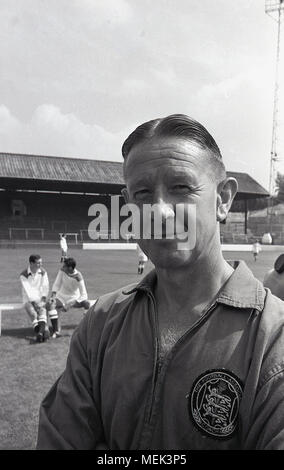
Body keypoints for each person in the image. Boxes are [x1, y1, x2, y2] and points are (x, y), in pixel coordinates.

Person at [37, 114, 284, 450]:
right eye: (142, 193)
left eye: (181, 187)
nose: (161, 212)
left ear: (222, 200)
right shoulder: (101, 321)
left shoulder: (274, 339)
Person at [47, 257, 91, 338]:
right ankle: (56, 331)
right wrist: (53, 296)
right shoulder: (62, 270)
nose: (63, 267)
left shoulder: (78, 276)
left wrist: (71, 303)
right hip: (61, 297)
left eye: (65, 266)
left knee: (87, 304)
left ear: (70, 268)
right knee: (50, 304)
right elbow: (57, 283)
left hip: (74, 299)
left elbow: (84, 295)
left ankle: (86, 329)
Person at [20, 254, 50, 343]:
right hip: (28, 299)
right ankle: (45, 330)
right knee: (33, 314)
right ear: (31, 263)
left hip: (40, 298)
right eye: (38, 263)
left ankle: (40, 334)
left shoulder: (43, 272)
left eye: (41, 262)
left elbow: (46, 286)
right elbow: (28, 290)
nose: (41, 265)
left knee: (42, 311)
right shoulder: (23, 275)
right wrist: (35, 304)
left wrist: (43, 300)